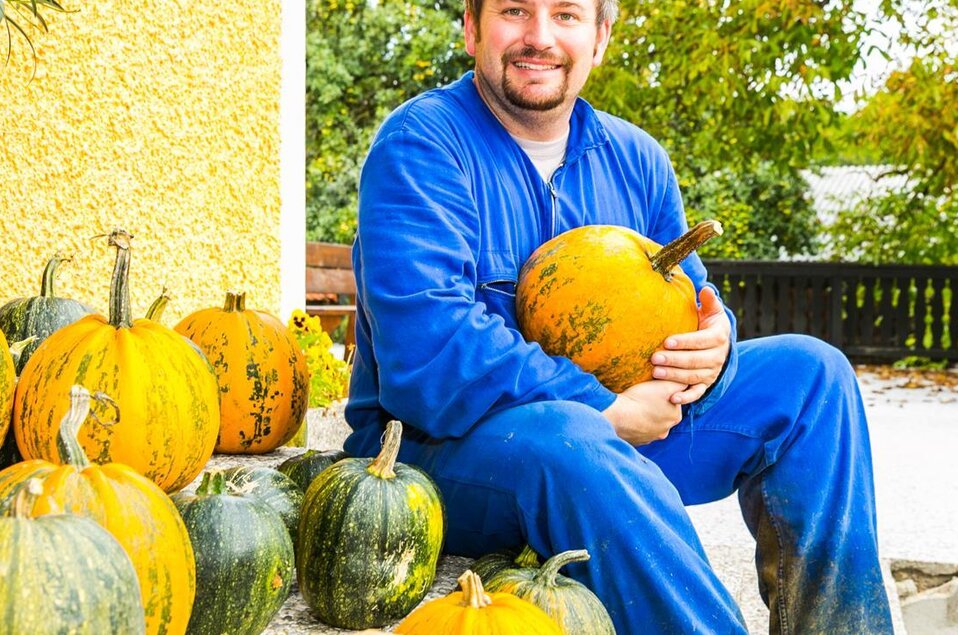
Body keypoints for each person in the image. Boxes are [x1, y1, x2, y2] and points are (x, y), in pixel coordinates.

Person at [342, 0, 894, 632]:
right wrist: (603, 409)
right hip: (440, 455)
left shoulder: (637, 159)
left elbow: (689, 297)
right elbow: (428, 357)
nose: (540, 37)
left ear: (600, 38)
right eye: (515, 11)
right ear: (471, 27)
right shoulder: (422, 146)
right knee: (571, 439)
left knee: (812, 375)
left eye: (568, 15)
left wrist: (714, 344)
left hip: (615, 442)